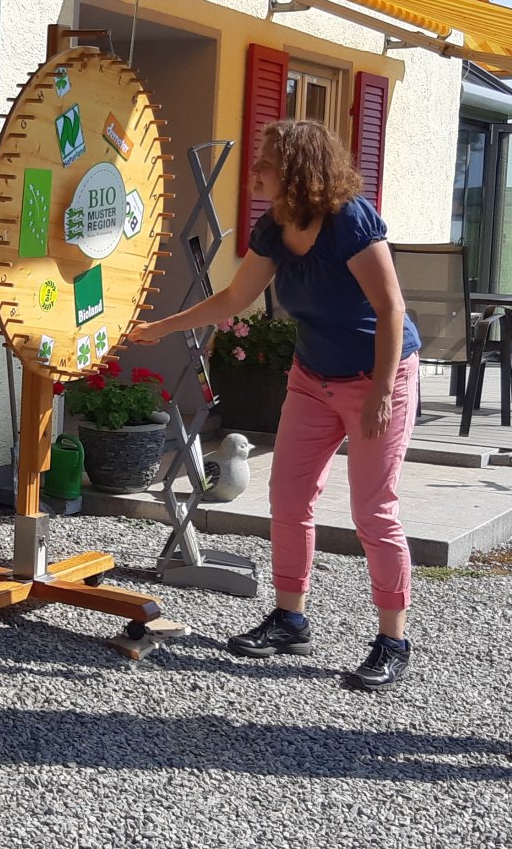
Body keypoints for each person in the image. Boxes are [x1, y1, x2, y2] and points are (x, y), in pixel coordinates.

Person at [131, 119, 421, 691]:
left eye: (265, 162)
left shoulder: (350, 222)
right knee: (287, 497)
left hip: (378, 377)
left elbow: (390, 309)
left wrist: (383, 393)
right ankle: (290, 617)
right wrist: (160, 327)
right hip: (313, 377)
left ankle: (392, 640)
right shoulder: (274, 227)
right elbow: (236, 297)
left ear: (297, 171)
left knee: (373, 512)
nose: (256, 170)